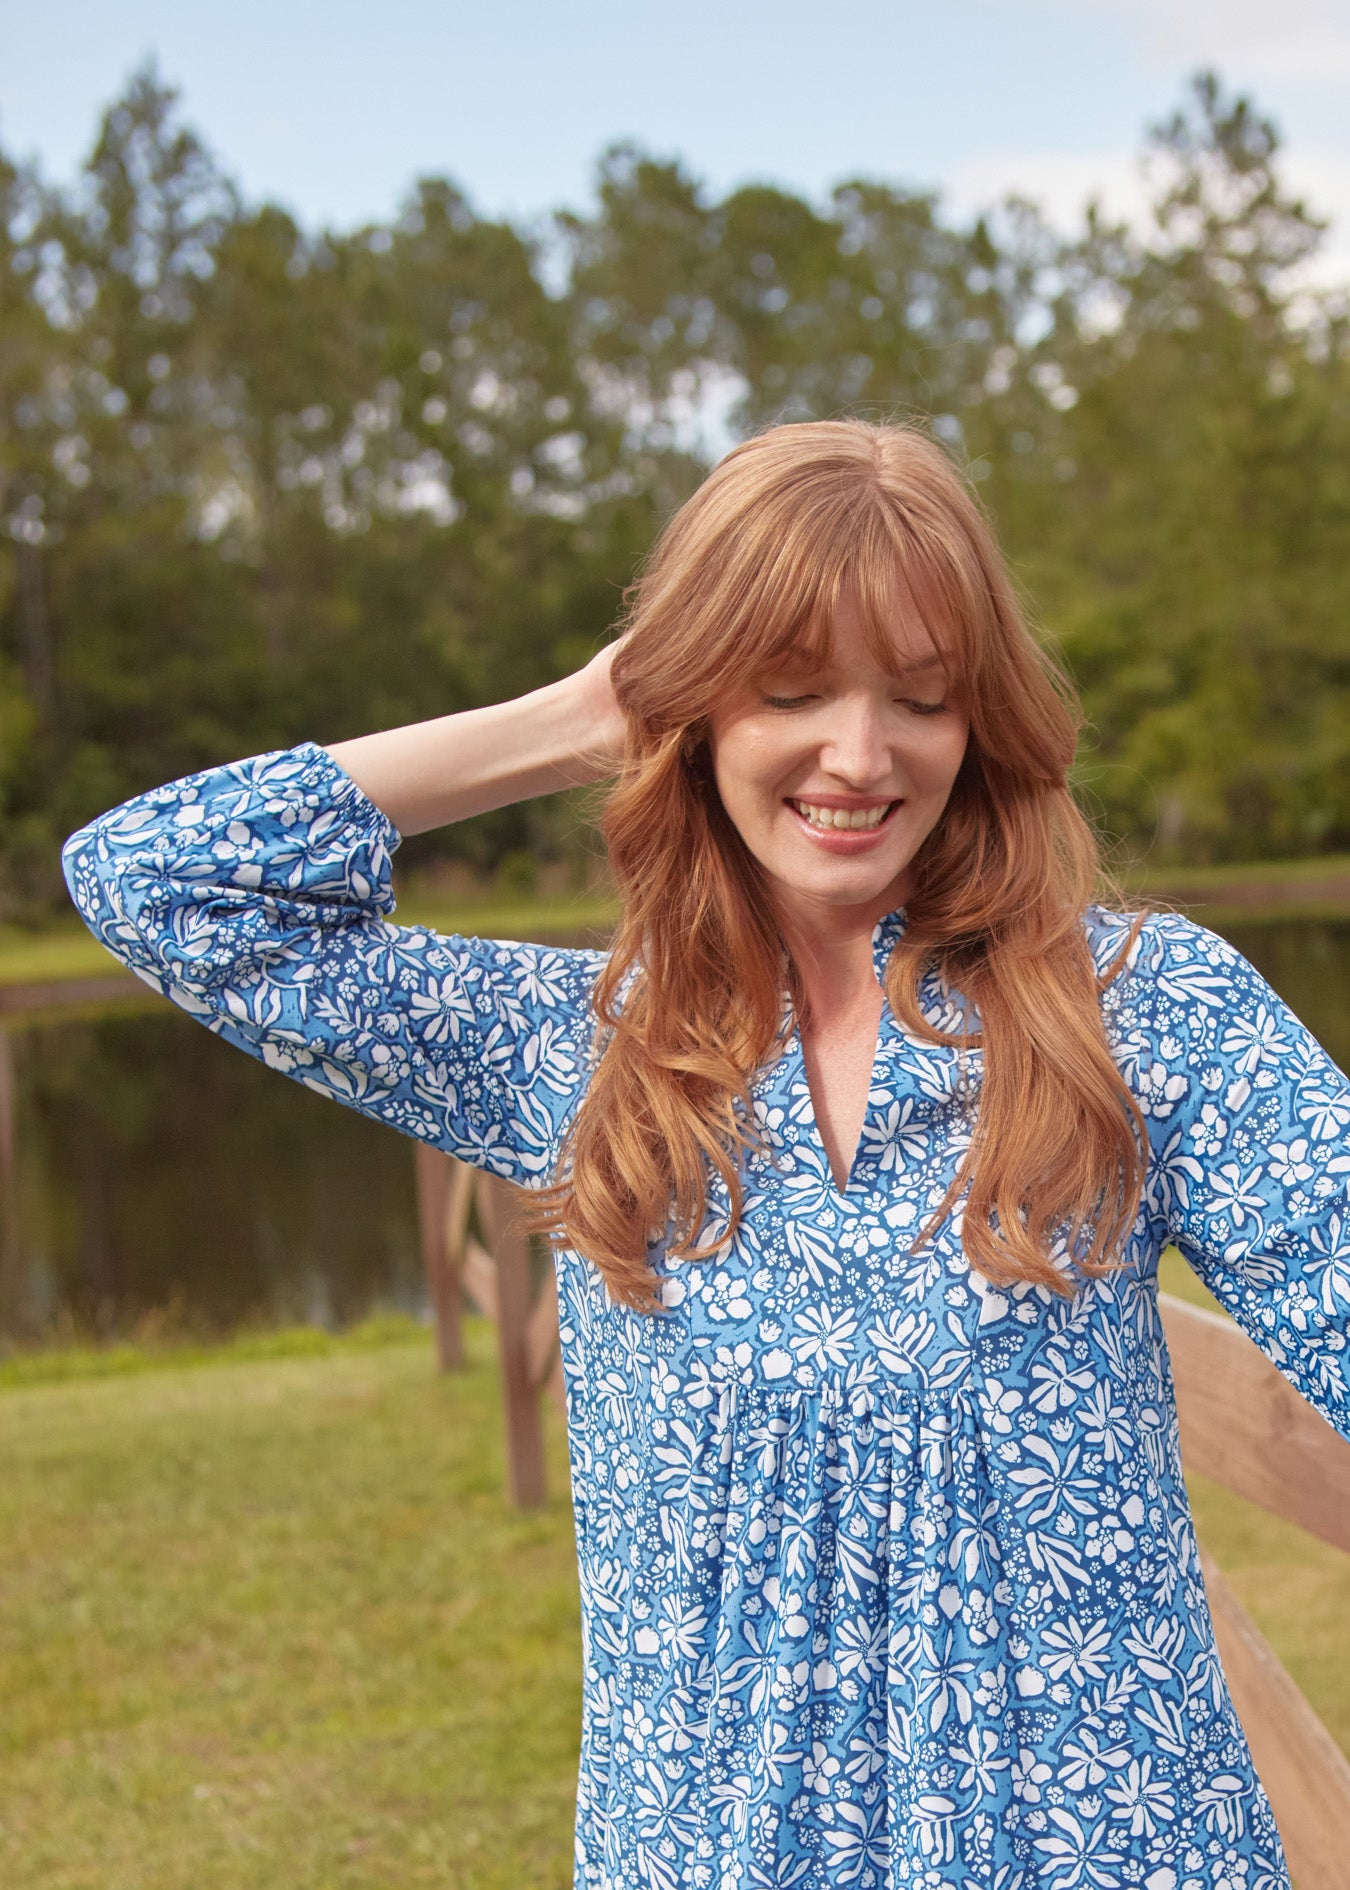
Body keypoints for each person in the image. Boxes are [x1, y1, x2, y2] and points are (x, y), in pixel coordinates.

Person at [61, 419, 1348, 1889]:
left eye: (920, 696)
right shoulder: (577, 1051)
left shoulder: (1142, 1016)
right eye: (788, 687)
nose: (858, 757)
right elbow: (155, 884)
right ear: (691, 706)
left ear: (976, 719)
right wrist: (576, 715)